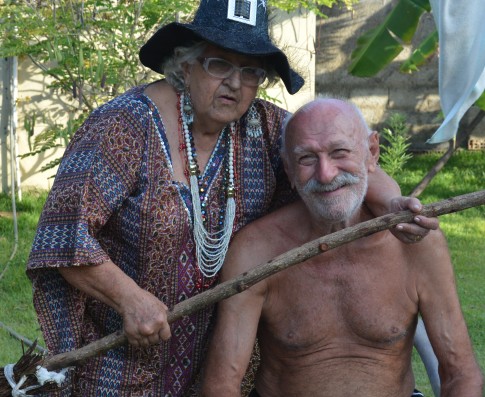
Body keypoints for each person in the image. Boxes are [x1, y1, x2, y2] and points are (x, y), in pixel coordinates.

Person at [26, 1, 437, 396]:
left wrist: (391, 204)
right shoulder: (123, 128)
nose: (235, 83)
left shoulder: (263, 127)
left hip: (217, 360)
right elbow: (63, 237)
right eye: (218, 63)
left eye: (251, 71)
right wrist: (129, 298)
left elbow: (342, 153)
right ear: (185, 65)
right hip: (120, 357)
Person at [200, 98, 483, 397]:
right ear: (289, 169)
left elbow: (460, 373)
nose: (326, 174)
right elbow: (222, 385)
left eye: (340, 152)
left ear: (372, 152)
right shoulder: (257, 250)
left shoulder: (415, 242)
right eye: (307, 159)